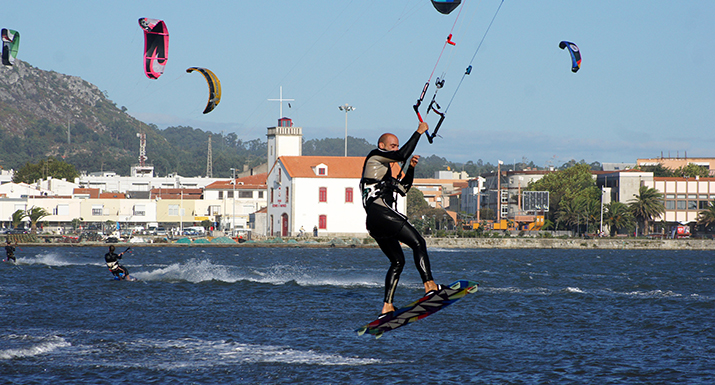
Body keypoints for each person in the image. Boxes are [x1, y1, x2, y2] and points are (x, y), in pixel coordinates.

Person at [360, 121, 440, 317]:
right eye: (392, 145)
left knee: (397, 262)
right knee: (419, 243)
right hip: (382, 213)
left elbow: (403, 189)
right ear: (382, 147)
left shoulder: (384, 175)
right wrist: (418, 132)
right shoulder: (374, 156)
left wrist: (411, 168)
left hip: (374, 222)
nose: (395, 149)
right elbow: (401, 155)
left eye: (396, 145)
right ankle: (429, 286)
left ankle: (387, 305)